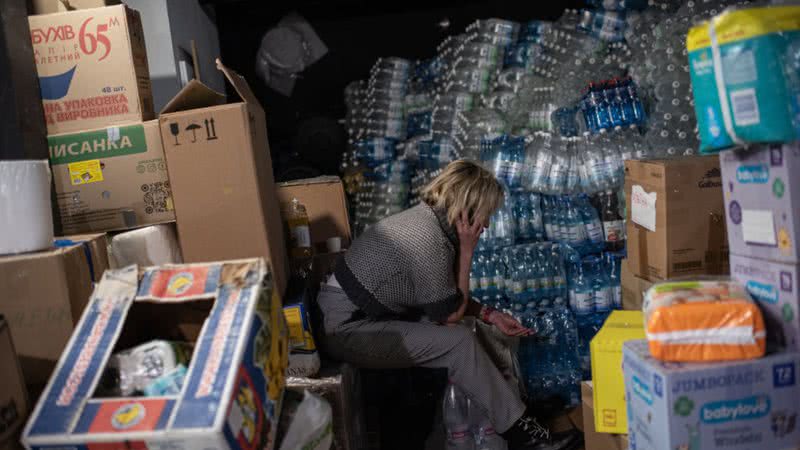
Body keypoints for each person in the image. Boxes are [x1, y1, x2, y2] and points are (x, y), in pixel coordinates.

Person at [317, 160, 579, 450]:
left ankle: (520, 413)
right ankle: (524, 434)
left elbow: (441, 297)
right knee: (458, 341)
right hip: (347, 327)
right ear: (467, 206)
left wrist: (490, 315)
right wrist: (467, 252)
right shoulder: (427, 238)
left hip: (364, 314)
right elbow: (449, 314)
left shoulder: (430, 222)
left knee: (476, 330)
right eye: (486, 214)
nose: (488, 224)